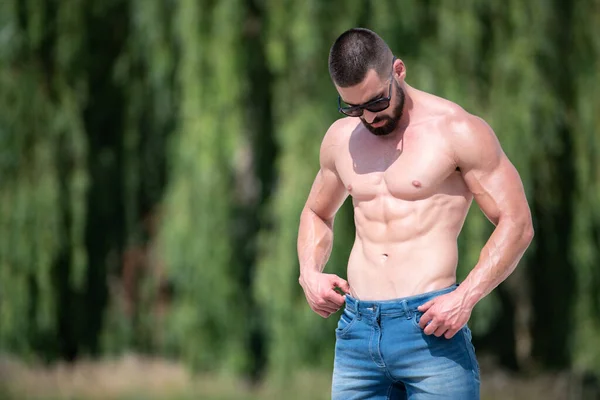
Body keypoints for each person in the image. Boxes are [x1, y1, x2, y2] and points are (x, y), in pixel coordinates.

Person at [297, 28, 534, 400]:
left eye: (376, 103)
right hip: (357, 334)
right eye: (353, 108)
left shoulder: (457, 131)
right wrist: (308, 273)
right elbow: (315, 212)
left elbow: (517, 223)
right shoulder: (341, 139)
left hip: (430, 332)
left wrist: (466, 297)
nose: (369, 118)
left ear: (399, 71)